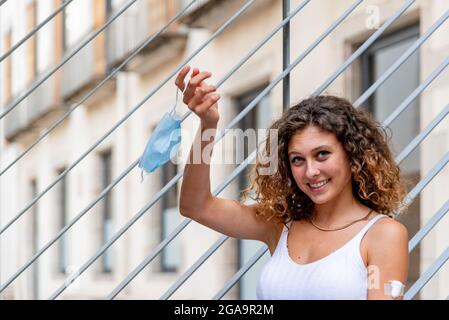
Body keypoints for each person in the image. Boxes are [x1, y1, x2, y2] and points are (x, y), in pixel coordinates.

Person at [175, 65, 410, 300]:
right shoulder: (280, 225)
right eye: (298, 159)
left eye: (322, 154)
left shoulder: (383, 235)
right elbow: (195, 206)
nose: (311, 171)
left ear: (352, 156)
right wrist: (208, 125)